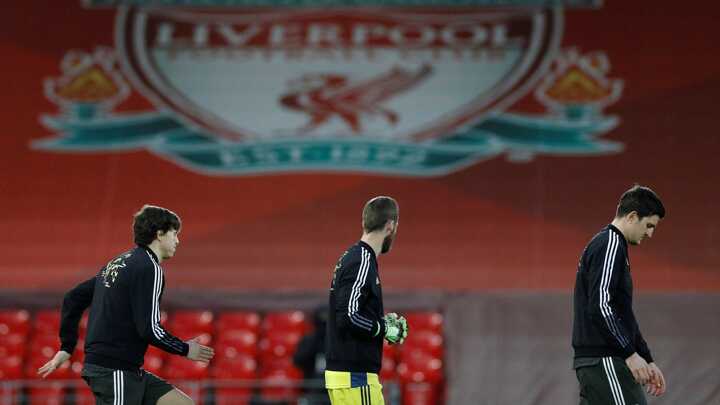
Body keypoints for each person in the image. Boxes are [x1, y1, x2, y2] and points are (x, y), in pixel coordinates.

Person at [38, 205, 214, 405]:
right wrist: (185, 349)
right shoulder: (149, 268)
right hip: (114, 370)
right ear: (159, 234)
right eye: (174, 233)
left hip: (125, 370)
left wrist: (67, 347)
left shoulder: (118, 263)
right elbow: (149, 329)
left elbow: (73, 297)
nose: (177, 240)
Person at [572, 185, 667, 405]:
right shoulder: (610, 244)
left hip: (600, 361)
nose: (650, 234)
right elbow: (600, 306)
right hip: (605, 359)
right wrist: (630, 354)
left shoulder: (613, 246)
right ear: (632, 217)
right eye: (649, 225)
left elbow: (623, 313)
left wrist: (646, 357)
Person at [325, 196, 408, 405]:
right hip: (356, 377)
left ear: (364, 222)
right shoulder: (361, 260)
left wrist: (379, 321)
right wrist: (384, 328)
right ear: (390, 225)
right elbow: (349, 316)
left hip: (350, 377)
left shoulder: (356, 258)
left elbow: (351, 311)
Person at [293, 306, 330, 405]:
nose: (323, 328)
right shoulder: (308, 340)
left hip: (332, 388)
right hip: (311, 387)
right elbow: (298, 361)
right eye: (321, 324)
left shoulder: (337, 343)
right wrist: (314, 343)